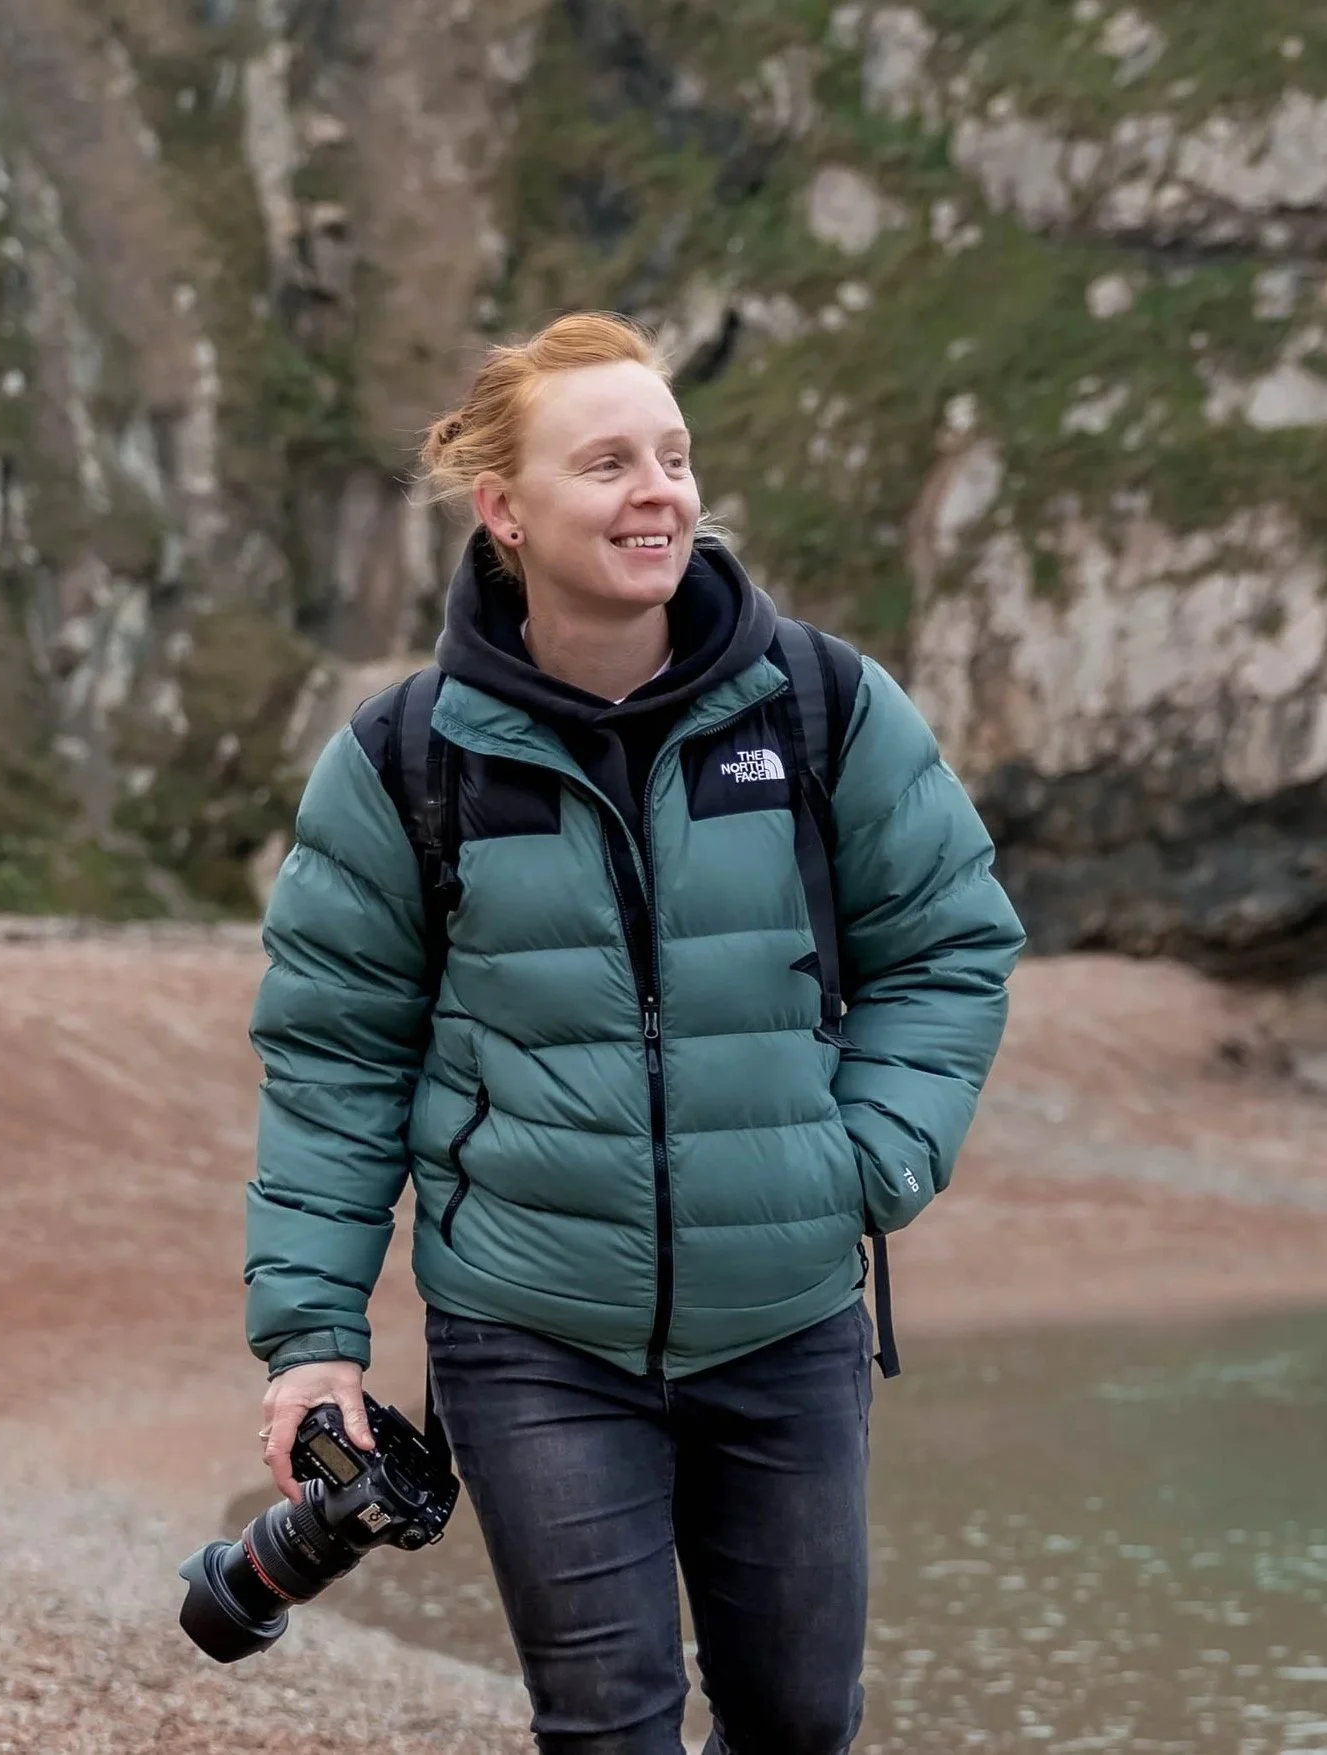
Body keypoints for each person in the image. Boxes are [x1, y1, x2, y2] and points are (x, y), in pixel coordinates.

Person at [245, 311, 1025, 1754]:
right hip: (531, 1332)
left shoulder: (819, 707)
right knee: (606, 1721)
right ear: (505, 509)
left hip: (786, 1319)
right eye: (606, 462)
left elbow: (950, 939)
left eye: (671, 455)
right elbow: (334, 1059)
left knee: (796, 1722)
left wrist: (866, 1160)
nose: (657, 489)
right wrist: (311, 1339)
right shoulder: (406, 760)